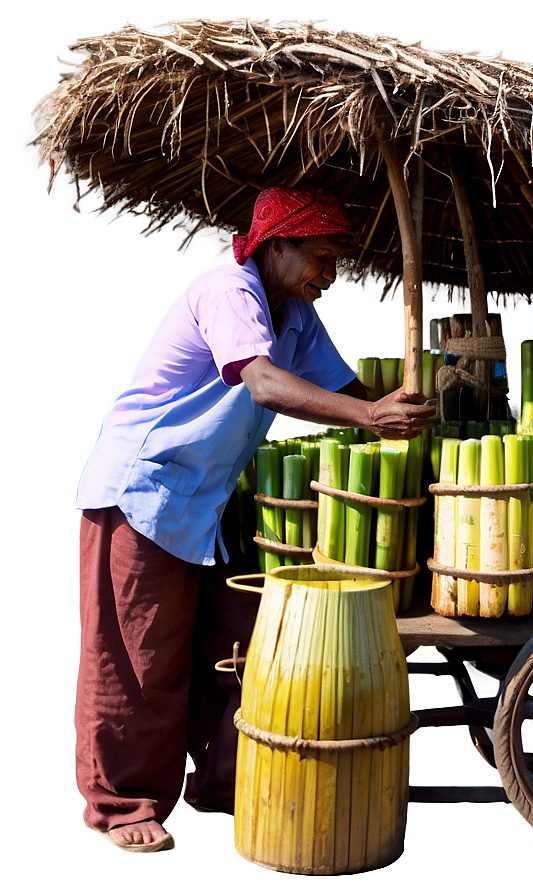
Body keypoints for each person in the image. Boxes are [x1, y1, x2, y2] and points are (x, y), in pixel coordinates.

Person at [74, 186, 435, 853]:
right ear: (278, 246)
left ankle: (217, 783)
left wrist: (407, 403)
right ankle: (125, 803)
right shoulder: (227, 292)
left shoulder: (295, 315)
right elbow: (262, 384)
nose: (330, 275)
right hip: (142, 492)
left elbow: (347, 393)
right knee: (140, 658)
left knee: (228, 649)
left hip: (200, 504)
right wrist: (366, 419)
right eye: (321, 258)